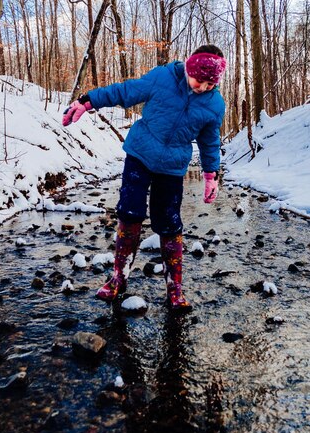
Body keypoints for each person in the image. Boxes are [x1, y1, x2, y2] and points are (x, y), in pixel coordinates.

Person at [62, 45, 226, 311]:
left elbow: (210, 142)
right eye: (200, 80)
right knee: (130, 212)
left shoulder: (214, 104)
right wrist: (87, 101)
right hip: (140, 154)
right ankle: (119, 277)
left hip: (172, 167)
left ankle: (175, 287)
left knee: (170, 223)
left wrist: (211, 174)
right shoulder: (163, 78)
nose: (203, 88)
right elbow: (126, 92)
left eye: (210, 84)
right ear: (189, 69)